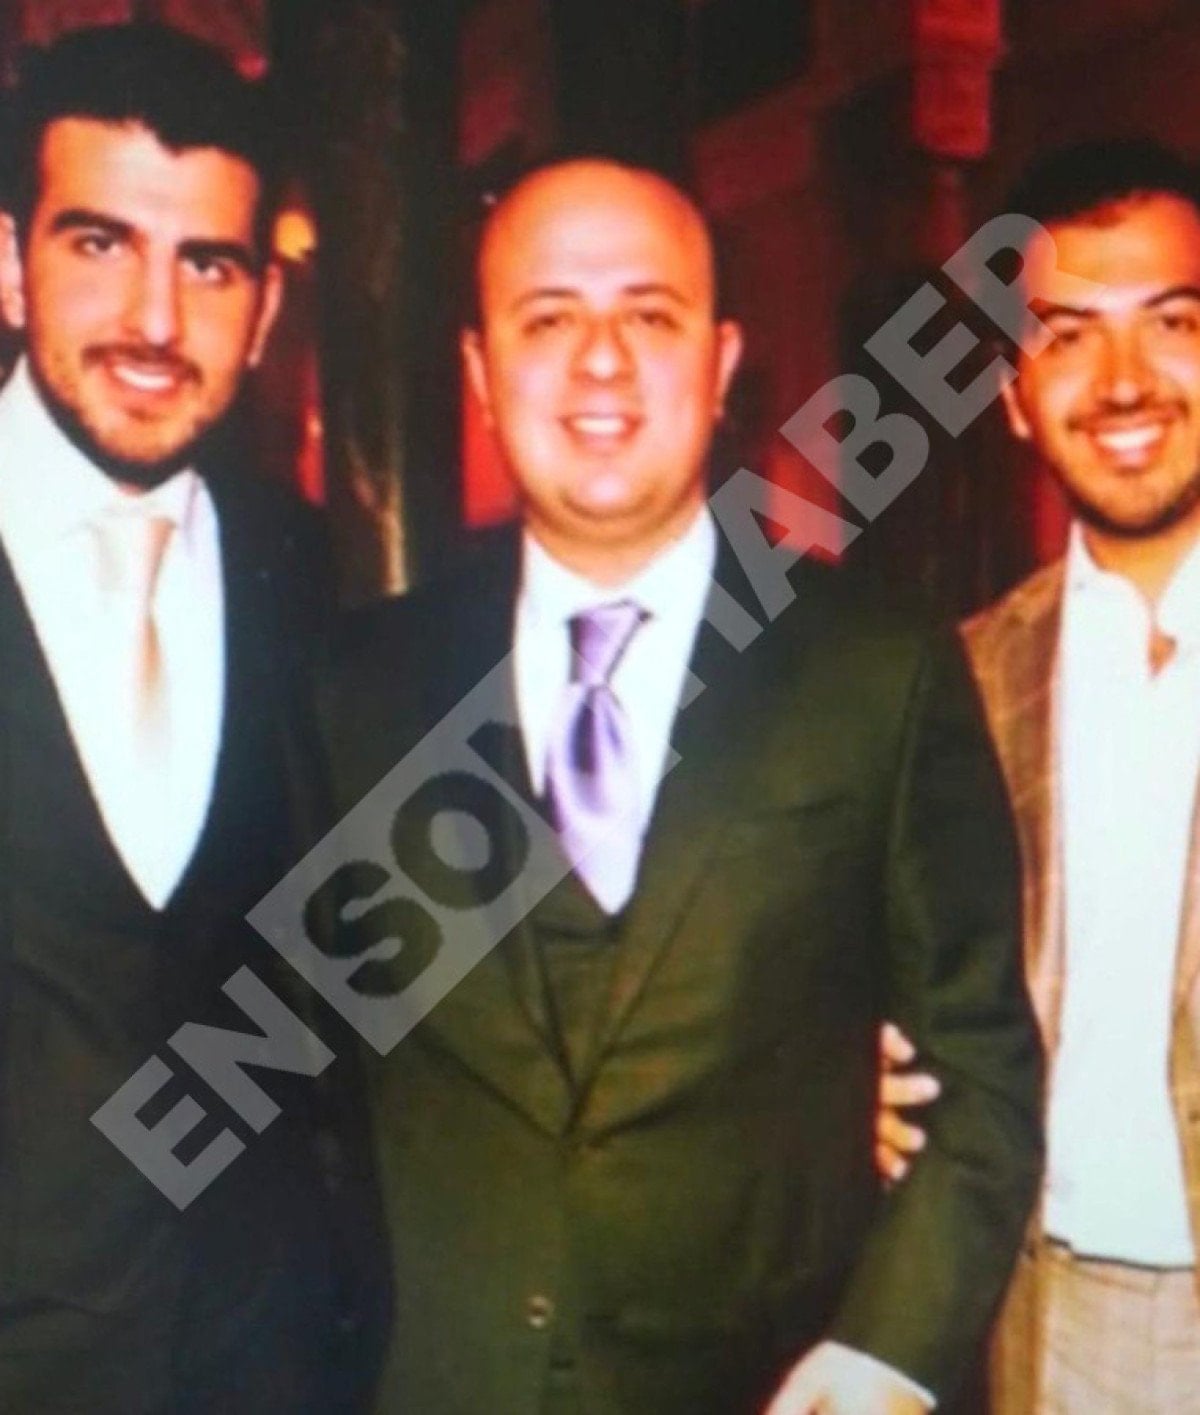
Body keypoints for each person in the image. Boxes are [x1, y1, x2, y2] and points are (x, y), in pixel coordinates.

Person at [322, 155, 1043, 1415]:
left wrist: (887, 1350)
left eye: (649, 317)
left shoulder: (879, 668)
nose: (601, 362)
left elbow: (981, 1074)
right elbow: (296, 1077)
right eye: (549, 319)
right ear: (482, 374)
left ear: (719, 366)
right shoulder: (354, 687)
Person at [0, 24, 382, 1413]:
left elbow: (389, 953)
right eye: (101, 244)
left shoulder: (308, 568)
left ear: (266, 308)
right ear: (9, 263)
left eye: (208, 264)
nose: (156, 321)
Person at [877, 138, 1200, 1412]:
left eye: (1173, 323)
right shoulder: (957, 678)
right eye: (1068, 336)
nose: (1124, 381)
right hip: (1042, 1323)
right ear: (1014, 394)